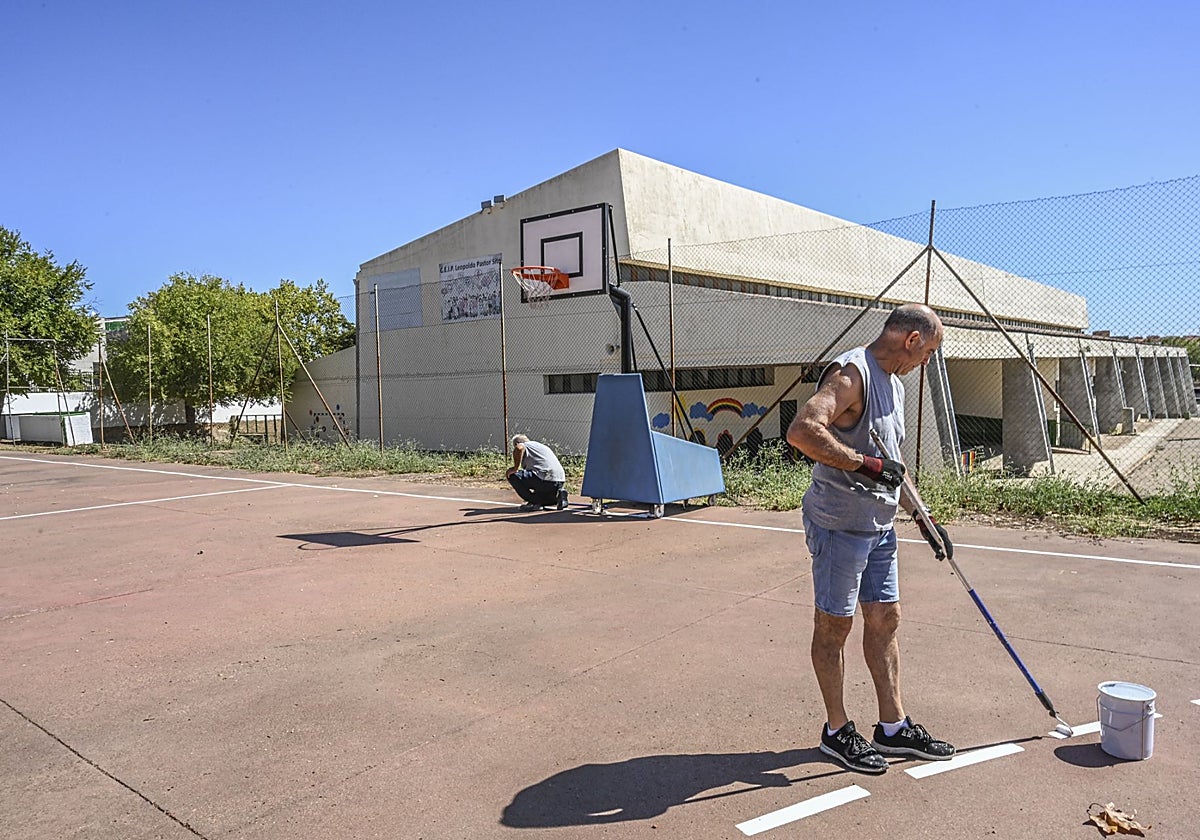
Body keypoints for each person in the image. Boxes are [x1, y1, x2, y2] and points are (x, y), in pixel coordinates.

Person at [786, 303, 956, 774]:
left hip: (879, 527)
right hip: (838, 524)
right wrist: (864, 464)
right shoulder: (852, 374)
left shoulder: (895, 386)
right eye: (928, 353)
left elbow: (892, 465)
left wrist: (923, 517)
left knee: (885, 618)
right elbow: (802, 431)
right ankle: (837, 730)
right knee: (834, 626)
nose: (926, 362)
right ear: (912, 340)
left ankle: (893, 727)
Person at [507, 434, 568, 511]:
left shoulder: (524, 445)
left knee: (512, 475)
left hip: (543, 478)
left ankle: (534, 502)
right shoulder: (541, 446)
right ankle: (559, 496)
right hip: (559, 481)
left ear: (517, 443)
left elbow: (519, 448)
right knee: (543, 499)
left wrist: (515, 468)